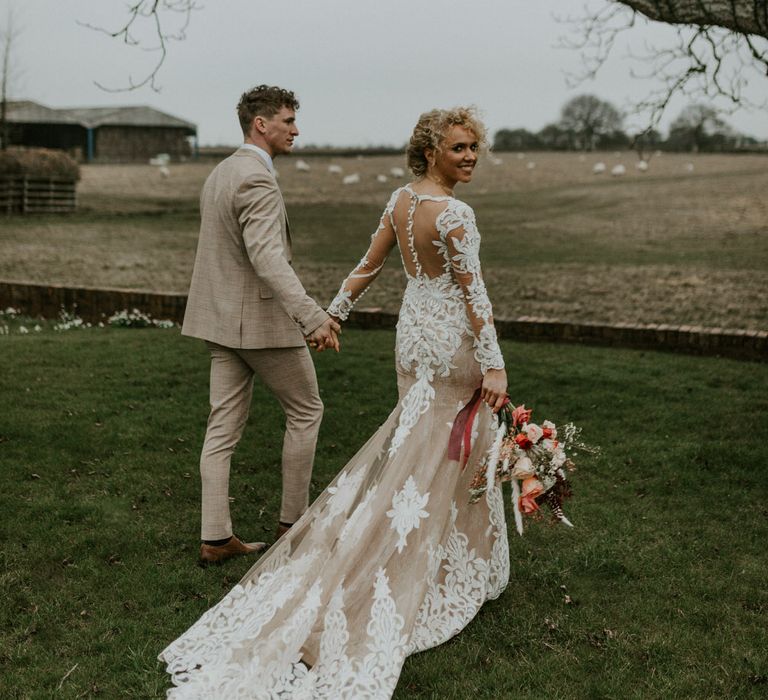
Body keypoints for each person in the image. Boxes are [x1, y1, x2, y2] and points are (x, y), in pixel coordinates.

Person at [160, 106, 509, 697]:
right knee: (452, 448)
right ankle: (443, 565)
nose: (470, 156)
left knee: (418, 445)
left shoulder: (401, 202)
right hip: (451, 341)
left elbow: (368, 266)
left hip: (413, 338)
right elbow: (475, 294)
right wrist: (495, 363)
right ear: (430, 151)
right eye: (459, 148)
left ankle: (438, 552)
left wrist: (335, 313)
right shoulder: (456, 213)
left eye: (475, 147)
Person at [181, 85, 341, 565]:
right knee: (306, 411)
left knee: (222, 427)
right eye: (288, 120)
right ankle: (294, 525)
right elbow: (268, 259)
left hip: (220, 322)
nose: (296, 129)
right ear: (261, 124)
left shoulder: (221, 172)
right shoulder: (257, 180)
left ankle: (215, 537)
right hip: (260, 325)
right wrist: (313, 317)